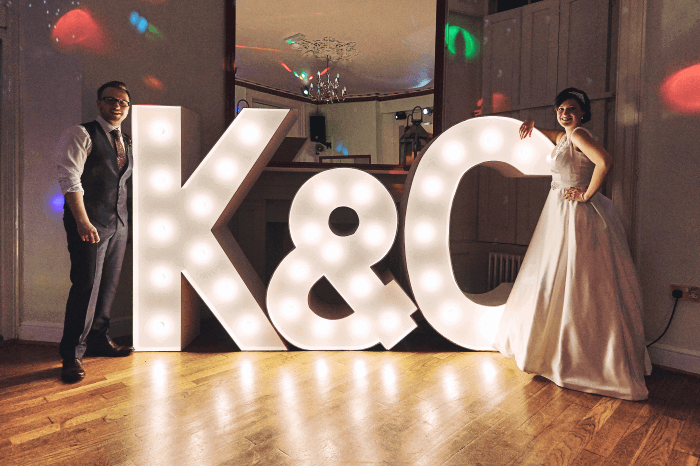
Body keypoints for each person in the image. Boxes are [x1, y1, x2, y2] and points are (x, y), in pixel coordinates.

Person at [493, 88, 651, 400]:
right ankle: (557, 350)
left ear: (582, 113)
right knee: (560, 274)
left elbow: (604, 161)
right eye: (561, 108)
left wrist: (586, 194)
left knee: (578, 278)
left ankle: (578, 359)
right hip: (559, 210)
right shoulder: (566, 135)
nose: (565, 113)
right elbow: (554, 135)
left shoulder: (578, 134)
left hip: (574, 212)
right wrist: (533, 125)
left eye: (572, 108)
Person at [56, 81, 135, 383]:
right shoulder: (81, 133)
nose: (117, 106)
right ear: (100, 103)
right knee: (85, 286)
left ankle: (99, 339)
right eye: (110, 100)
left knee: (108, 286)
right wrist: (82, 221)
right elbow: (69, 178)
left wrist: (123, 222)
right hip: (88, 223)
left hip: (118, 224)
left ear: (127, 109)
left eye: (123, 102)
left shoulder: (125, 140)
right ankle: (71, 355)